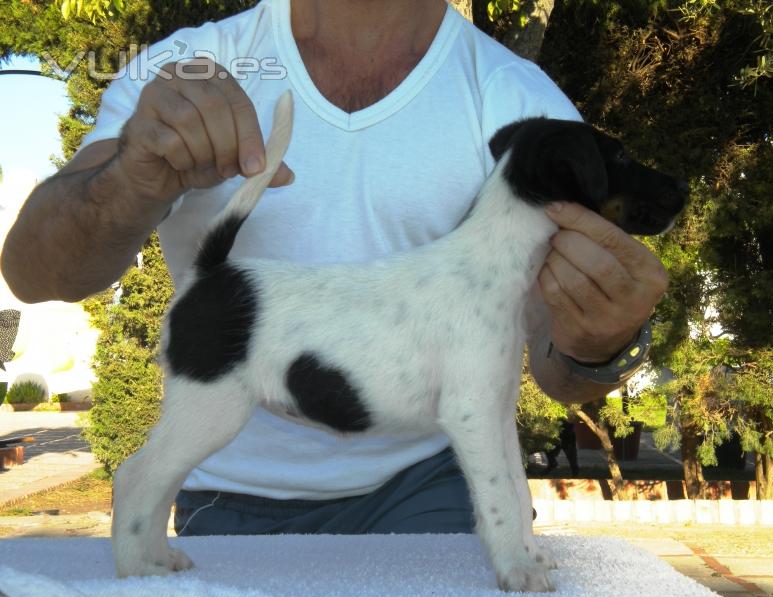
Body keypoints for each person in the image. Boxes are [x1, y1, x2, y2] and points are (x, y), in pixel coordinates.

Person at [0, 0, 668, 535]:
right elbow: (33, 273)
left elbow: (558, 370)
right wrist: (129, 180)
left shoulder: (522, 105)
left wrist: (601, 345)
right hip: (229, 495)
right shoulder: (187, 70)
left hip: (431, 488)